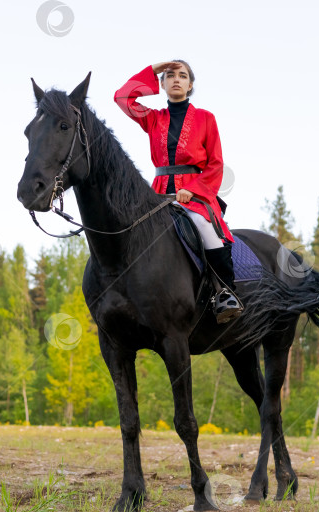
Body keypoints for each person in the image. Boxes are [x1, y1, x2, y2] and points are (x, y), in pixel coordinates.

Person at [114, 60, 243, 324]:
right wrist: (153, 68)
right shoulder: (153, 119)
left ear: (190, 85)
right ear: (161, 84)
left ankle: (226, 294)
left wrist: (192, 191)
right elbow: (122, 97)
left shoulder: (206, 118)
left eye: (182, 76)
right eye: (170, 75)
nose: (176, 79)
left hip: (196, 196)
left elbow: (216, 164)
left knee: (201, 225)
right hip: (158, 194)